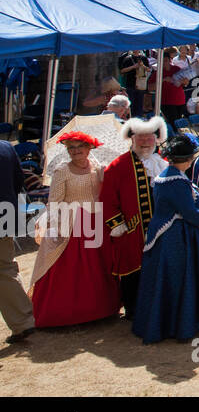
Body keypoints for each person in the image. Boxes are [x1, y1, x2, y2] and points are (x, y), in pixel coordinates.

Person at [28, 131, 120, 327]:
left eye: (80, 147)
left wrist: (105, 177)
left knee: (98, 268)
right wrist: (56, 228)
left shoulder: (97, 168)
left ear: (89, 148)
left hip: (95, 223)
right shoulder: (62, 171)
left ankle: (100, 310)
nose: (76, 151)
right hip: (70, 225)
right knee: (70, 270)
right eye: (71, 148)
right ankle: (65, 313)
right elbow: (54, 202)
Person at [132, 135, 199, 344]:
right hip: (176, 237)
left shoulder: (166, 176)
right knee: (177, 280)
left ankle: (163, 323)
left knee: (163, 279)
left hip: (166, 235)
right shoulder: (176, 181)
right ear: (185, 160)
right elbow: (188, 211)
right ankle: (177, 325)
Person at [103, 116, 169, 320]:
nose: (145, 141)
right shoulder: (118, 166)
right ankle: (133, 310)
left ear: (156, 139)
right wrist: (118, 224)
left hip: (161, 229)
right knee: (133, 272)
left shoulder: (163, 164)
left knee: (160, 268)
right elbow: (107, 199)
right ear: (132, 139)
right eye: (140, 137)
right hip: (132, 230)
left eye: (149, 137)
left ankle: (158, 306)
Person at [0, 139, 35, 343]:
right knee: (6, 269)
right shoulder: (5, 146)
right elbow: (18, 181)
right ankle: (23, 322)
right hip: (6, 214)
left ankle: (23, 322)